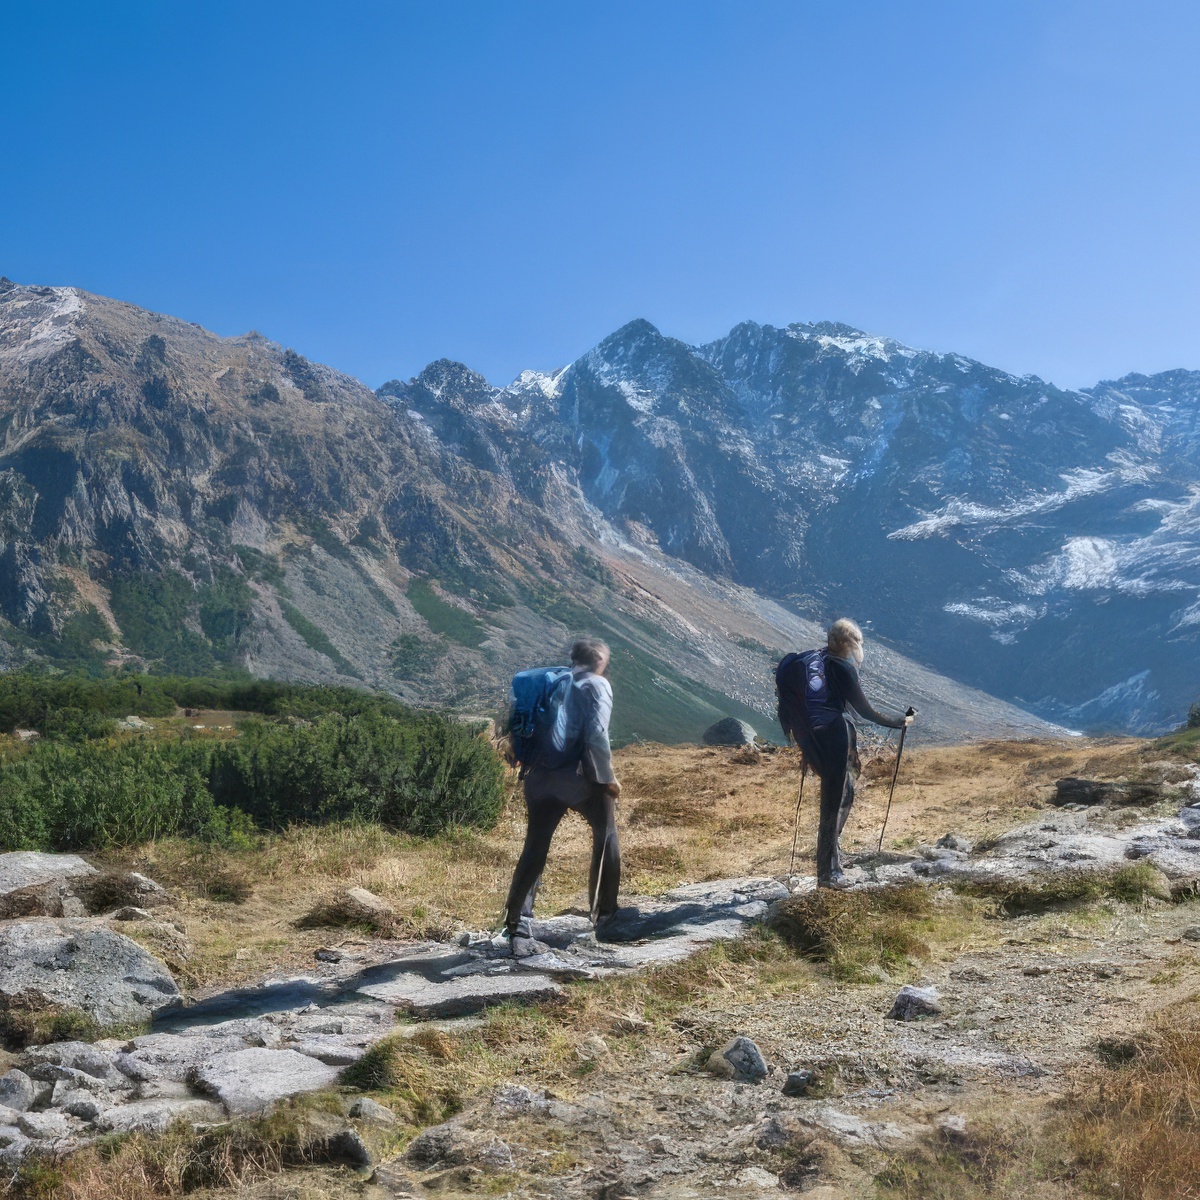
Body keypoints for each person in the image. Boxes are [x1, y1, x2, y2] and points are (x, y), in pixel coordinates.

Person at [503, 637, 622, 955]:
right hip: (578, 779)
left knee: (535, 846)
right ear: (600, 660)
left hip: (539, 777)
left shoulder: (549, 680)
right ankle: (607, 916)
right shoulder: (597, 684)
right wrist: (607, 779)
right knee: (606, 835)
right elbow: (596, 733)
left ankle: (518, 923)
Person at [777, 618, 914, 889]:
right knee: (835, 803)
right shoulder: (841, 668)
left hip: (811, 738)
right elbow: (865, 711)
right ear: (848, 644)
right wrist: (901, 721)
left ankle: (831, 866)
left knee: (838, 799)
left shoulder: (812, 662)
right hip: (836, 737)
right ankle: (827, 875)